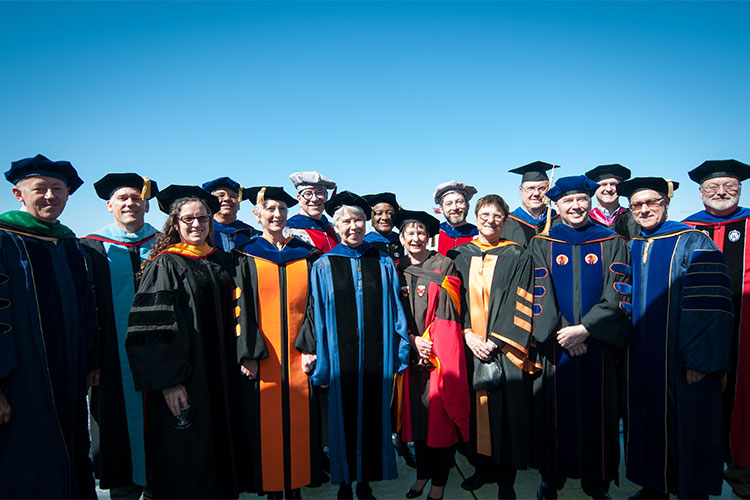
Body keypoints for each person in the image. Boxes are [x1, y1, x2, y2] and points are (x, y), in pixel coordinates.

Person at [618, 177, 733, 499]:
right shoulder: (635, 245)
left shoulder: (694, 242)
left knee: (687, 425)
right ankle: (654, 484)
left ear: (665, 203)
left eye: (651, 202)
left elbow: (709, 307)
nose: (644, 210)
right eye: (637, 205)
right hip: (641, 358)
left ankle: (690, 489)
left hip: (682, 360)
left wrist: (699, 359)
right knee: (645, 420)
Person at [125, 184, 241, 499]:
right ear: (175, 224)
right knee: (186, 458)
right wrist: (169, 382)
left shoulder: (221, 261)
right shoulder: (166, 264)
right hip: (186, 379)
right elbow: (151, 328)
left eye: (203, 218)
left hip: (221, 378)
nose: (196, 225)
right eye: (188, 219)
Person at [526, 176, 632, 500]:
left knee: (599, 416)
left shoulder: (612, 242)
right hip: (556, 348)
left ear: (591, 200)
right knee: (554, 416)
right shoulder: (541, 244)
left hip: (596, 347)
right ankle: (552, 479)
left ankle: (597, 483)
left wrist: (585, 329)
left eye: (581, 199)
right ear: (556, 206)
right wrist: (563, 335)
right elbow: (537, 295)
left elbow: (618, 292)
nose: (575, 206)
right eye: (568, 201)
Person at [0, 154, 98, 498]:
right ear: (18, 195)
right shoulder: (4, 239)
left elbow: (85, 307)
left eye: (58, 189)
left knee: (72, 453)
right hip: (19, 380)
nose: (50, 196)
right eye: (40, 189)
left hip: (70, 374)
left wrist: (90, 360)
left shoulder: (70, 245)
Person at [309, 191, 410, 499]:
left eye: (357, 220)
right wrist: (323, 361)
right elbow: (320, 318)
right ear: (336, 225)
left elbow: (395, 306)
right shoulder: (325, 264)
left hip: (377, 357)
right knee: (342, 419)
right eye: (344, 221)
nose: (352, 226)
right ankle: (343, 481)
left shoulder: (381, 260)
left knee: (374, 417)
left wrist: (400, 347)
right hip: (341, 360)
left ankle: (365, 481)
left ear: (365, 222)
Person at [234, 185, 323, 498]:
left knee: (300, 419)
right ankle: (272, 487)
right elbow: (239, 306)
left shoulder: (305, 253)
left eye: (281, 210)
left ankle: (297, 483)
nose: (276, 214)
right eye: (269, 209)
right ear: (257, 214)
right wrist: (247, 354)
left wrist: (311, 346)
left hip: (300, 354)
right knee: (267, 423)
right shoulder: (246, 254)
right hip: (264, 355)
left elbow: (315, 304)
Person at [448, 194, 538, 499]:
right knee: (474, 414)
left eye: (497, 216)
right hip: (469, 348)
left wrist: (496, 340)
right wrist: (467, 334)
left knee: (505, 417)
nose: (491, 220)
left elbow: (522, 299)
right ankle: (482, 470)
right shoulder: (459, 255)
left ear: (505, 219)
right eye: (485, 214)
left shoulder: (519, 256)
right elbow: (452, 304)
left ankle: (505, 482)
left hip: (505, 350)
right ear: (476, 216)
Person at [81, 173, 159, 497]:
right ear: (109, 205)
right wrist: (91, 360)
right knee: (117, 434)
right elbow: (84, 308)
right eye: (123, 199)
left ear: (147, 205)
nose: (130, 203)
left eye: (136, 198)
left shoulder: (163, 244)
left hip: (159, 361)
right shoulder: (91, 247)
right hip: (111, 362)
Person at [682, 159, 750, 498]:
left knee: (745, 396)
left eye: (730, 188)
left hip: (746, 330)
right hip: (697, 332)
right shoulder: (687, 230)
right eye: (713, 188)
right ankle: (697, 467)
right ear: (701, 192)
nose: (721, 192)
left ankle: (742, 470)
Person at [392, 209, 470, 500]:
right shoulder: (395, 269)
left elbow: (450, 313)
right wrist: (411, 341)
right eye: (409, 233)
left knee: (441, 421)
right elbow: (390, 315)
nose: (415, 237)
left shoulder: (445, 265)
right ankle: (422, 474)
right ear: (401, 237)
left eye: (421, 232)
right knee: (419, 423)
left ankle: (439, 481)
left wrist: (429, 344)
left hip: (438, 356)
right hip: (409, 358)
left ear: (430, 236)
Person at [501, 161, 560, 246]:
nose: (536, 193)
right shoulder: (506, 224)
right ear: (521, 191)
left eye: (542, 188)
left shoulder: (559, 221)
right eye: (530, 188)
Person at [286, 171, 339, 252]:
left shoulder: (335, 230)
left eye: (320, 193)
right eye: (308, 194)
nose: (314, 199)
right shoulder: (289, 231)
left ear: (326, 196)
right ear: (299, 198)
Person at [202, 176, 259, 251]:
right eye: (221, 195)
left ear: (239, 205)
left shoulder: (253, 235)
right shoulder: (201, 232)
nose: (227, 199)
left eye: (233, 196)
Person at [585, 163, 640, 239]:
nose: (609, 189)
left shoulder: (634, 218)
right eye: (603, 185)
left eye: (613, 184)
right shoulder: (585, 220)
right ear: (595, 189)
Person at [433, 180, 478, 255]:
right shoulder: (433, 236)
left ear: (468, 205)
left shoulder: (478, 235)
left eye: (459, 202)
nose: (455, 208)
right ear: (441, 209)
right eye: (449, 204)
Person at [363, 192, 404, 264]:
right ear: (372, 217)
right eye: (379, 213)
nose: (384, 217)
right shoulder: (364, 243)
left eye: (389, 213)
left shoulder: (403, 241)